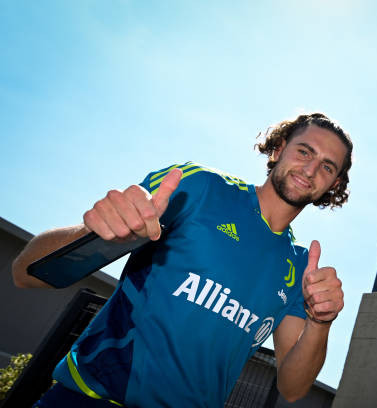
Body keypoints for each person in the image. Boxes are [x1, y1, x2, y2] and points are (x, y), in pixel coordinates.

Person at [12, 113, 353, 408]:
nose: (310, 169)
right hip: (92, 399)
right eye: (304, 151)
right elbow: (26, 273)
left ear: (333, 184)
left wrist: (321, 321)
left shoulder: (300, 266)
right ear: (279, 149)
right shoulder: (199, 188)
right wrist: (100, 232)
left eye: (326, 166)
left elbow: (293, 389)